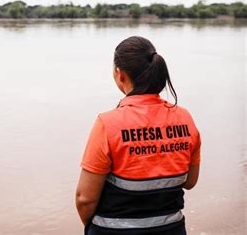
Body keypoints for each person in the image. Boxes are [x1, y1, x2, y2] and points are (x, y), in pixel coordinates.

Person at [76, 36, 201, 235]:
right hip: (171, 229)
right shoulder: (184, 118)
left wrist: (91, 229)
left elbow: (85, 199)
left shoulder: (108, 124)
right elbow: (190, 181)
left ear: (120, 74)